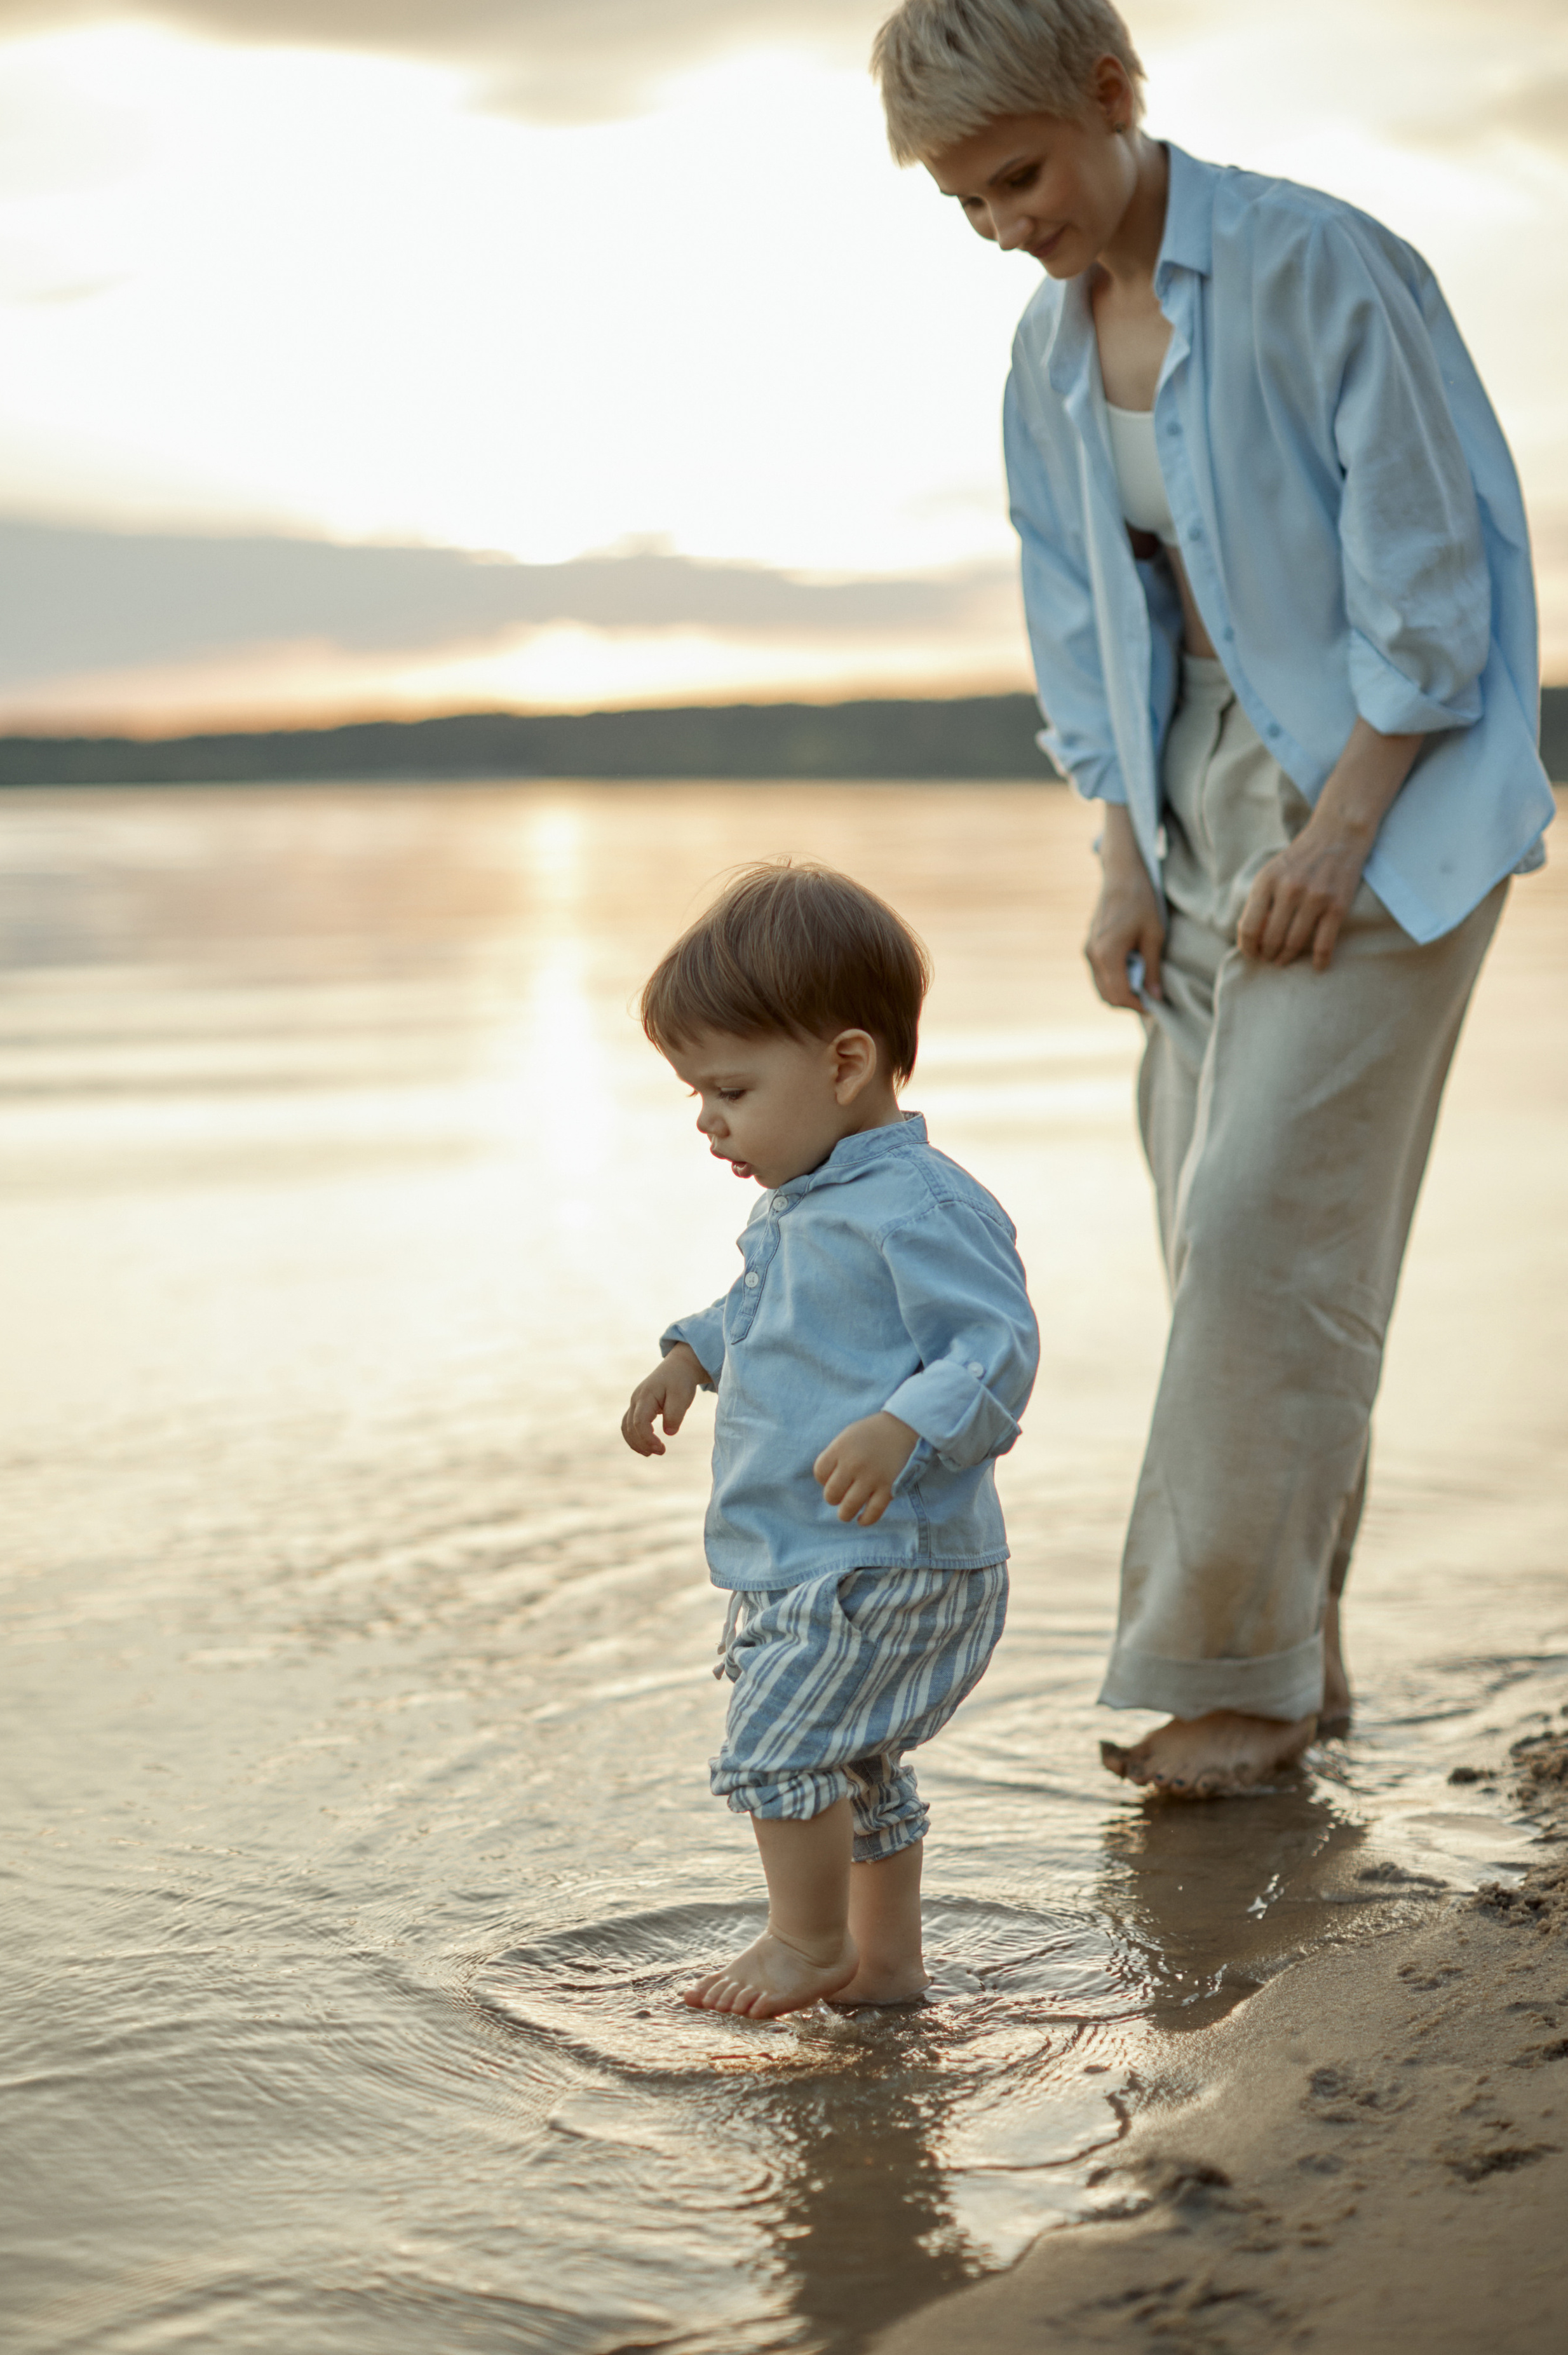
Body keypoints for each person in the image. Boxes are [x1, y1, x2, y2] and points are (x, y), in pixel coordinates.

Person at [871, 1, 1555, 1795]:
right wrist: (1118, 853)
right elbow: (1082, 624)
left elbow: (1435, 573)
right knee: (1232, 1259)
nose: (1002, 223)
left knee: (1264, 1237)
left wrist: (1337, 831)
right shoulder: (1042, 355)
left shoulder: (1325, 266)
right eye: (963, 203)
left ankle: (1223, 1694)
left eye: (1015, 175)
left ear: (1112, 98)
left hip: (1382, 805)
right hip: (1180, 821)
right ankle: (1299, 1658)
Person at [621, 864, 1039, 2017]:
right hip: (816, 1561)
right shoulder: (805, 1202)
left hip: (887, 1563)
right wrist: (690, 1355)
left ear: (846, 1063)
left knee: (778, 1751)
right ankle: (884, 1967)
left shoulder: (921, 1205)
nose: (708, 1120)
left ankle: (805, 1943)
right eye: (699, 1093)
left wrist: (905, 1421)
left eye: (732, 1089)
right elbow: (768, 1309)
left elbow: (995, 1348)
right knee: (856, 1769)